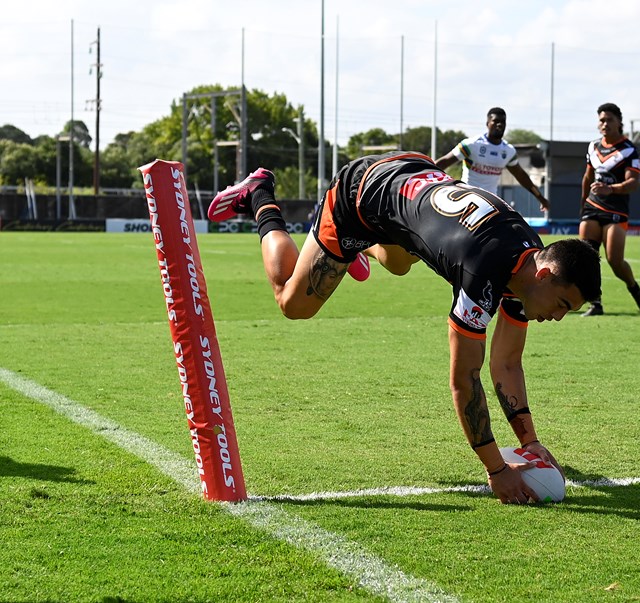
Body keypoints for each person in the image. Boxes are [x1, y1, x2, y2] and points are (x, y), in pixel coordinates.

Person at [208, 151, 602, 504]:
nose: (559, 317)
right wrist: (497, 470)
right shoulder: (481, 271)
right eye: (563, 304)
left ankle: (354, 253)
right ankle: (260, 194)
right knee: (292, 302)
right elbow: (465, 379)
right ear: (546, 274)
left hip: (413, 181)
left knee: (397, 264)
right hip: (360, 196)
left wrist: (529, 442)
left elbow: (508, 364)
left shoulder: (529, 268)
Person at [578, 102, 640, 317]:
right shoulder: (593, 147)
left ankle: (633, 288)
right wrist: (582, 204)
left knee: (614, 261)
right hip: (592, 207)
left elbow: (634, 183)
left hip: (616, 211)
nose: (605, 123)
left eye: (609, 119)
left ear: (619, 122)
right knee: (587, 258)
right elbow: (588, 177)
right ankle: (595, 303)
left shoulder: (629, 150)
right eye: (601, 120)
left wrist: (610, 189)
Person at [434, 107, 550, 213]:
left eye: (503, 122)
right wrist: (422, 175)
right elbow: (444, 162)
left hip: (490, 203)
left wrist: (541, 198)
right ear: (488, 123)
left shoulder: (508, 151)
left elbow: (521, 176)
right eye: (495, 121)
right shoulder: (472, 145)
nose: (499, 125)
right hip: (468, 199)